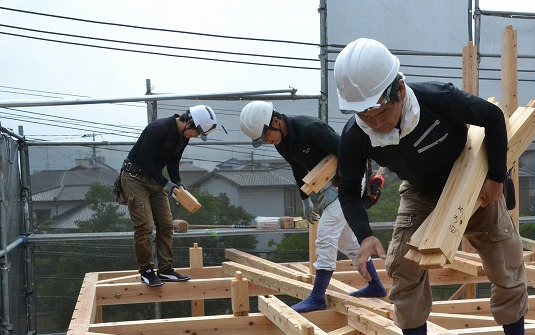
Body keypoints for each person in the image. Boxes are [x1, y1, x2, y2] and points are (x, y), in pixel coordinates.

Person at [333, 38, 535, 335]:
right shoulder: (357, 135)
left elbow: (492, 118)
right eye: (366, 115)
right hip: (421, 192)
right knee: (402, 265)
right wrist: (365, 235)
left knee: (504, 259)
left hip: (471, 180)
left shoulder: (437, 99)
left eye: (382, 112)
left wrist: (496, 177)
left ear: (399, 90)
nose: (377, 123)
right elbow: (348, 191)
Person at [239, 100, 386, 311]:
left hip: (352, 179)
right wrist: (305, 199)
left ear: (276, 121)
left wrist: (336, 187)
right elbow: (298, 169)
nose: (266, 141)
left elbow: (348, 154)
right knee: (345, 241)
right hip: (329, 183)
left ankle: (317, 297)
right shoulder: (282, 143)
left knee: (325, 234)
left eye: (265, 135)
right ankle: (375, 286)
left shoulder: (310, 129)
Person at [121, 104, 217, 287]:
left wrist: (178, 184)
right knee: (145, 226)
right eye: (197, 132)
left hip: (155, 179)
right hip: (135, 178)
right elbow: (144, 160)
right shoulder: (158, 129)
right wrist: (166, 185)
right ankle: (146, 271)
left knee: (166, 224)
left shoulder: (183, 137)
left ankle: (165, 270)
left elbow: (173, 163)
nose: (196, 136)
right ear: (189, 122)